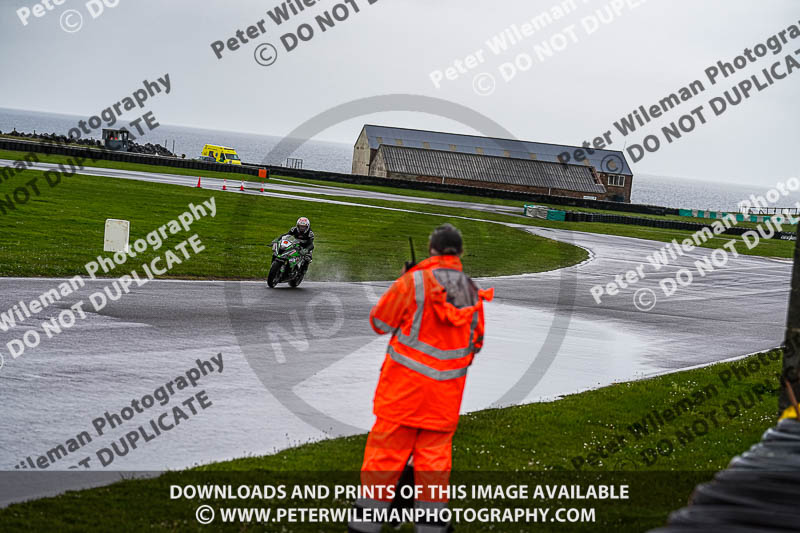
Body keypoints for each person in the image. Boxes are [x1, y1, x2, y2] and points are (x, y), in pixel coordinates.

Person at [349, 224, 494, 533]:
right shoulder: (471, 291)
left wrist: (403, 280)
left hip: (400, 398)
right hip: (443, 403)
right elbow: (477, 343)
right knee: (433, 478)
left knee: (381, 468)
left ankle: (364, 527)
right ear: (460, 253)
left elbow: (378, 321)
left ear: (431, 250)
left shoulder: (413, 283)